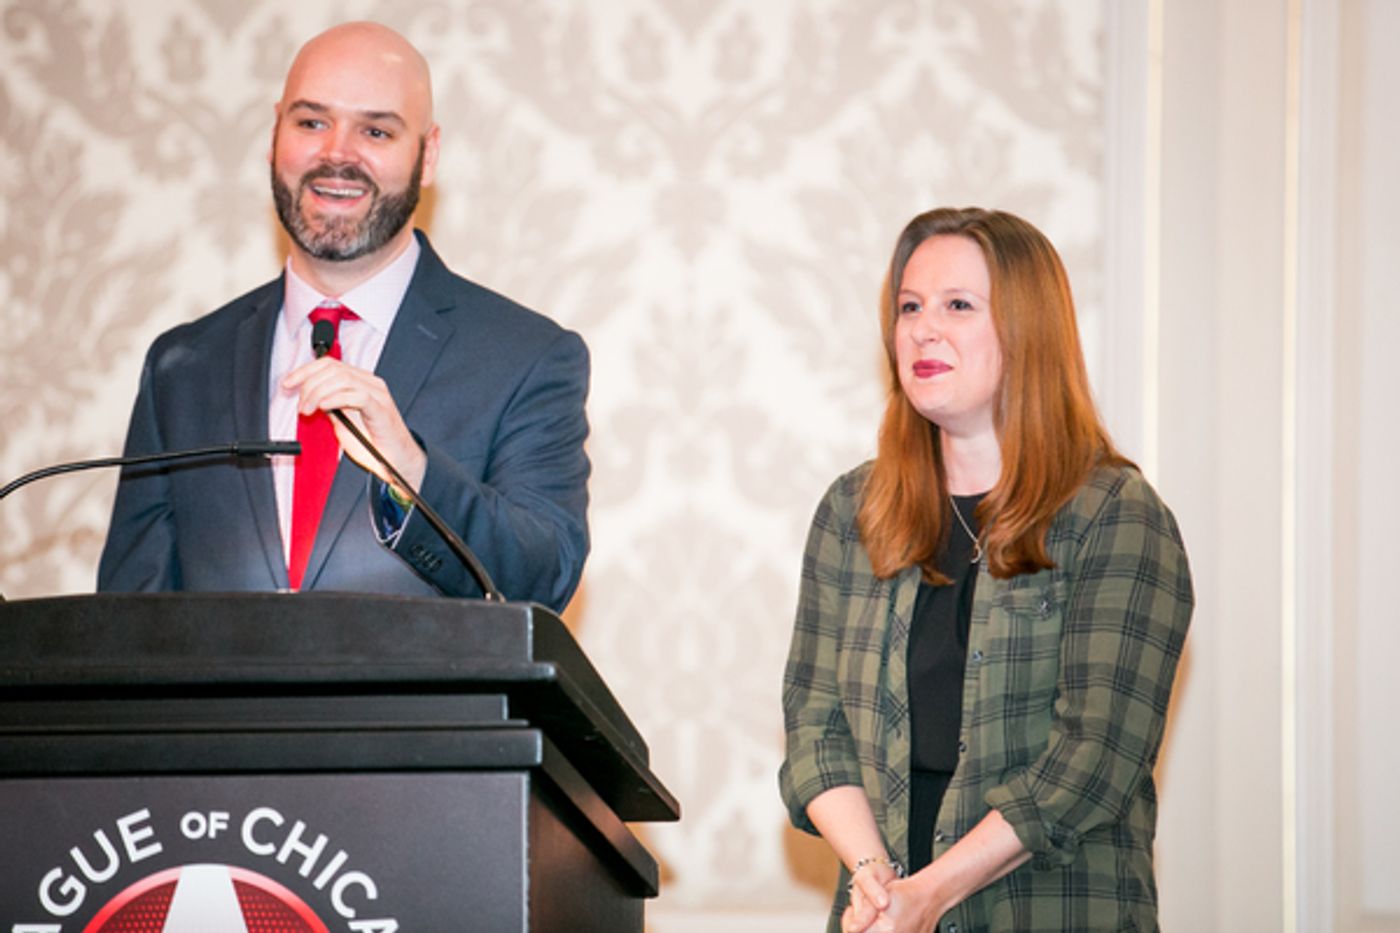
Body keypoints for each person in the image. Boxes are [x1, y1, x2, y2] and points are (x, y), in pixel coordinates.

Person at [779, 207, 1193, 932]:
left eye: (958, 305)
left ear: (1027, 330)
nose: (921, 328)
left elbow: (1092, 759)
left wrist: (931, 893)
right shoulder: (853, 510)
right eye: (909, 306)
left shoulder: (1115, 514)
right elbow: (816, 729)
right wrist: (879, 884)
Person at [97, 22, 589, 610]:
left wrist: (412, 469)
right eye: (311, 122)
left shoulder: (525, 357)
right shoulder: (181, 367)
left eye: (376, 130)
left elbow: (544, 580)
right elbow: (128, 618)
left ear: (427, 156)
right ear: (275, 132)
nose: (337, 154)